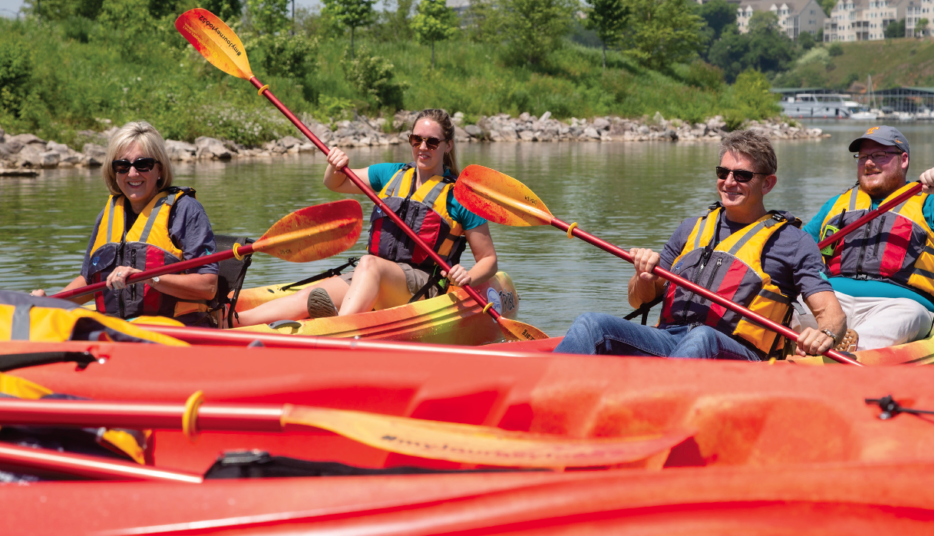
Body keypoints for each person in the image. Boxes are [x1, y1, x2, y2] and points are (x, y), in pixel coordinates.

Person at [554, 130, 847, 361]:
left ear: (767, 184)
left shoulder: (793, 242)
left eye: (742, 175)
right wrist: (643, 276)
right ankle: (541, 402)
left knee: (702, 337)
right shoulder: (690, 229)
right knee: (591, 323)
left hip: (741, 355)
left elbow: (831, 314)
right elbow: (638, 300)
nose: (729, 182)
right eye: (723, 173)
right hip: (669, 341)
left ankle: (653, 409)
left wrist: (826, 335)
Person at [236, 108, 498, 326]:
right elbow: (336, 183)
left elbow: (488, 260)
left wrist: (468, 277)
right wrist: (334, 164)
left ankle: (339, 328)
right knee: (309, 296)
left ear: (448, 145)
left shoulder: (460, 197)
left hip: (424, 284)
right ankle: (230, 322)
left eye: (432, 142)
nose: (423, 147)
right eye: (416, 140)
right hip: (372, 273)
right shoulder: (391, 174)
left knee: (369, 264)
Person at [801, 125, 934, 350]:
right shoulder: (836, 204)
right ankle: (799, 348)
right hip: (831, 303)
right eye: (863, 156)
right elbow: (798, 252)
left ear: (903, 159)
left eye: (879, 155)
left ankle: (847, 346)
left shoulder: (933, 202)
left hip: (900, 305)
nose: (868, 163)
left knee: (907, 315)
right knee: (788, 302)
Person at [31, 121, 219, 326]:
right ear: (113, 172)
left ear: (160, 171)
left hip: (174, 330)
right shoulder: (108, 214)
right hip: (119, 331)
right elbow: (88, 281)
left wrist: (149, 278)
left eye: (143, 164)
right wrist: (49, 302)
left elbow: (207, 286)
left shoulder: (185, 210)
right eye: (122, 166)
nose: (132, 174)